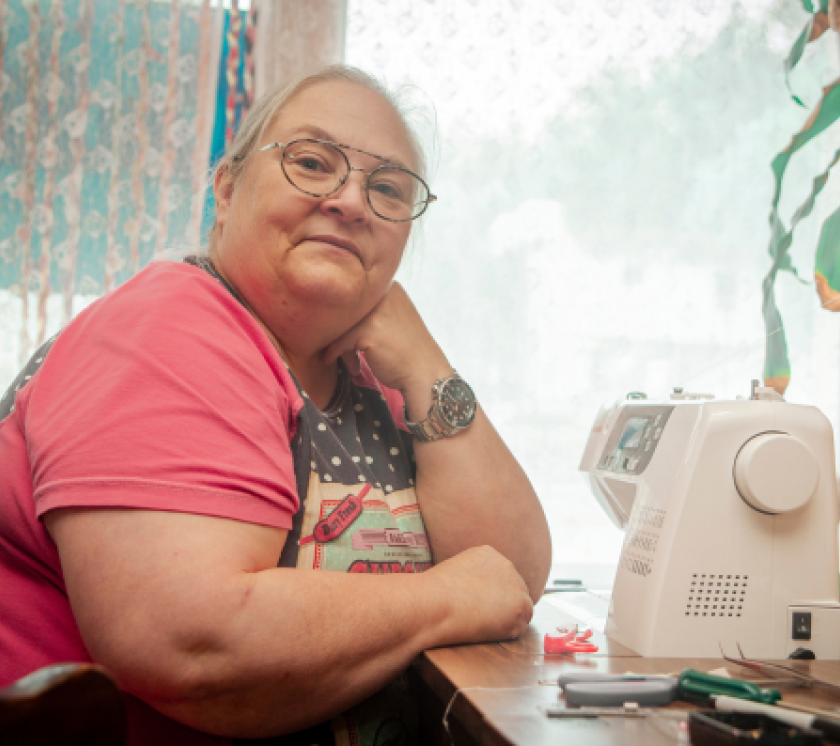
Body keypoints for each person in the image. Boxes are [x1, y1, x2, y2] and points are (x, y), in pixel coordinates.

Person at [0, 65, 552, 745]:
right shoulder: (166, 331)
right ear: (227, 189)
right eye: (312, 163)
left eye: (387, 188)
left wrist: (428, 367)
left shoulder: (371, 368)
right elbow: (195, 646)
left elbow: (509, 577)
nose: (350, 201)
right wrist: (445, 599)